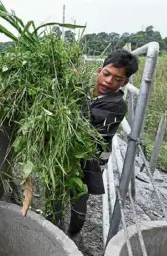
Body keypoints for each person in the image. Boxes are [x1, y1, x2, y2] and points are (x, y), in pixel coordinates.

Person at [52, 49, 139, 236]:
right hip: (67, 150)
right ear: (99, 71)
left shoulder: (116, 105)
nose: (109, 81)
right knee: (57, 186)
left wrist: (74, 90)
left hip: (90, 157)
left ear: (124, 82)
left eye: (117, 79)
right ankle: (54, 222)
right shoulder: (88, 90)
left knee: (79, 195)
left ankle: (73, 234)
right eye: (106, 74)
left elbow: (85, 123)